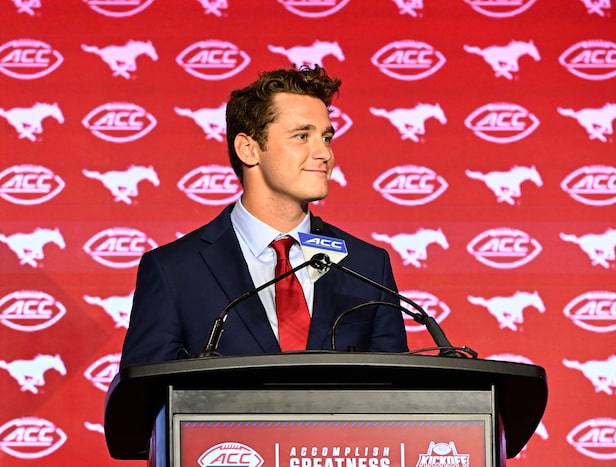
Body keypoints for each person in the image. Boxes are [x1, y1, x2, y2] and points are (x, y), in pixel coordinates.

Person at [120, 66, 408, 366]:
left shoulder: (367, 266)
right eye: (301, 136)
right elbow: (143, 399)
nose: (324, 153)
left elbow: (397, 397)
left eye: (326, 137)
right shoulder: (175, 271)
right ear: (248, 149)